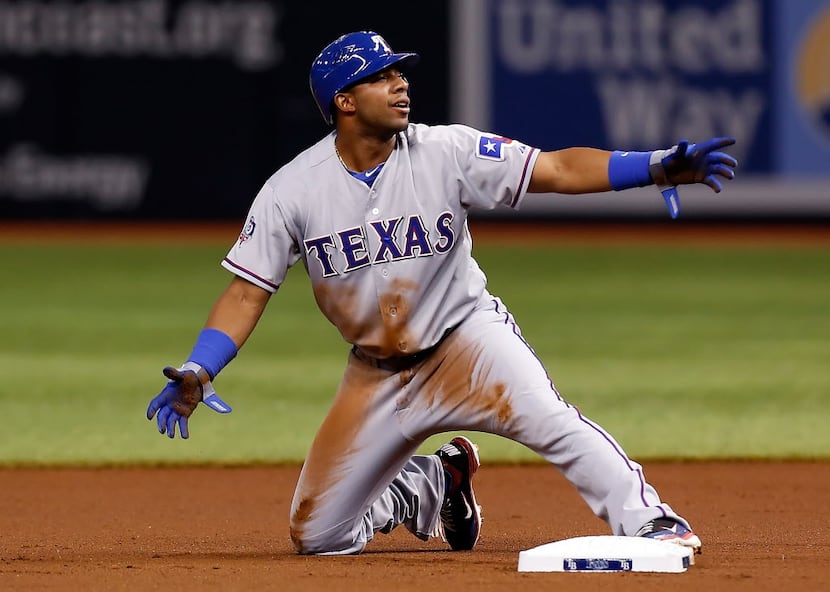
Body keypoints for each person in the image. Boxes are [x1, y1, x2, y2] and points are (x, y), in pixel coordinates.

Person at [146, 31, 737, 556]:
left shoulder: (445, 151)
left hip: (467, 342)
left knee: (552, 420)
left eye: (399, 72)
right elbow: (247, 292)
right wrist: (202, 365)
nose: (400, 83)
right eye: (379, 76)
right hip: (375, 376)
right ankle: (432, 484)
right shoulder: (291, 190)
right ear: (343, 102)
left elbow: (553, 170)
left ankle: (653, 522)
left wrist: (654, 166)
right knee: (316, 537)